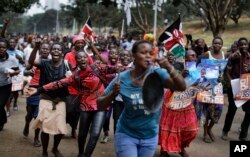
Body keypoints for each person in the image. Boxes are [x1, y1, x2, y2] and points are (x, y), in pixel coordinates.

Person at [97, 40, 186, 157]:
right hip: (127, 134)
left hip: (150, 136)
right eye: (143, 53)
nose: (148, 56)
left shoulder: (158, 73)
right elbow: (99, 104)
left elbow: (181, 87)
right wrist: (112, 94)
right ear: (134, 56)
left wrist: (169, 67)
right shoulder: (122, 78)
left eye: (150, 53)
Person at [27, 50, 121, 157]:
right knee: (82, 134)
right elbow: (58, 83)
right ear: (76, 61)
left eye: (84, 57)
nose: (82, 59)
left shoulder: (98, 68)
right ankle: (81, 152)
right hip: (85, 105)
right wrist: (38, 90)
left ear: (87, 59)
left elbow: (116, 68)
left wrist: (125, 68)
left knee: (94, 134)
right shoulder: (75, 76)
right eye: (79, 58)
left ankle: (86, 155)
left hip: (101, 104)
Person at [28, 41, 69, 157]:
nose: (56, 51)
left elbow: (73, 81)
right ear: (51, 52)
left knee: (60, 128)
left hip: (60, 100)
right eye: (54, 49)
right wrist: (36, 48)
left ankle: (55, 149)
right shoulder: (45, 63)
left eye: (59, 49)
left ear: (62, 53)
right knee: (45, 128)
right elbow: (31, 62)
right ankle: (44, 151)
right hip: (45, 99)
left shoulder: (67, 65)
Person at [159, 49, 198, 157]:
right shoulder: (174, 67)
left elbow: (198, 85)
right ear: (185, 57)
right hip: (172, 98)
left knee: (191, 128)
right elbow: (170, 84)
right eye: (191, 56)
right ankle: (164, 149)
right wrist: (181, 76)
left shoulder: (197, 69)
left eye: (195, 56)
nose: (194, 58)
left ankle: (181, 147)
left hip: (187, 100)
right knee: (169, 125)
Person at [22, 41, 51, 147]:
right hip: (32, 89)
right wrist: (28, 72)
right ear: (40, 49)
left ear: (50, 51)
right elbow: (26, 69)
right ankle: (26, 124)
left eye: (47, 49)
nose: (45, 50)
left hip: (43, 90)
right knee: (29, 113)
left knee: (39, 116)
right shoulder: (35, 60)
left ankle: (36, 137)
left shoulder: (51, 62)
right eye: (43, 48)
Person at [221, 37, 250, 141]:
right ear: (238, 46)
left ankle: (243, 134)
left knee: (249, 112)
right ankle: (225, 131)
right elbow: (226, 72)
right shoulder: (233, 57)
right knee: (232, 110)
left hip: (247, 87)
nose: (244, 46)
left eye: (245, 44)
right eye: (241, 44)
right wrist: (232, 83)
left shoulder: (249, 57)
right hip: (235, 86)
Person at [202, 36, 225, 143]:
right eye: (215, 43)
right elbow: (201, 68)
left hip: (218, 87)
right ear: (212, 44)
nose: (217, 45)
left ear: (221, 45)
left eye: (219, 43)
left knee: (219, 109)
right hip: (208, 85)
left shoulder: (224, 55)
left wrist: (222, 78)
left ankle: (210, 128)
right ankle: (205, 132)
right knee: (207, 110)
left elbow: (223, 71)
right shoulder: (208, 54)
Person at [0, 38, 20, 131]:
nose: (1, 49)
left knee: (0, 105)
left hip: (5, 86)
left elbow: (17, 70)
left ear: (6, 48)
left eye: (3, 47)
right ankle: (3, 120)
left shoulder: (12, 59)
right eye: (0, 47)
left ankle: (1, 121)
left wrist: (13, 73)